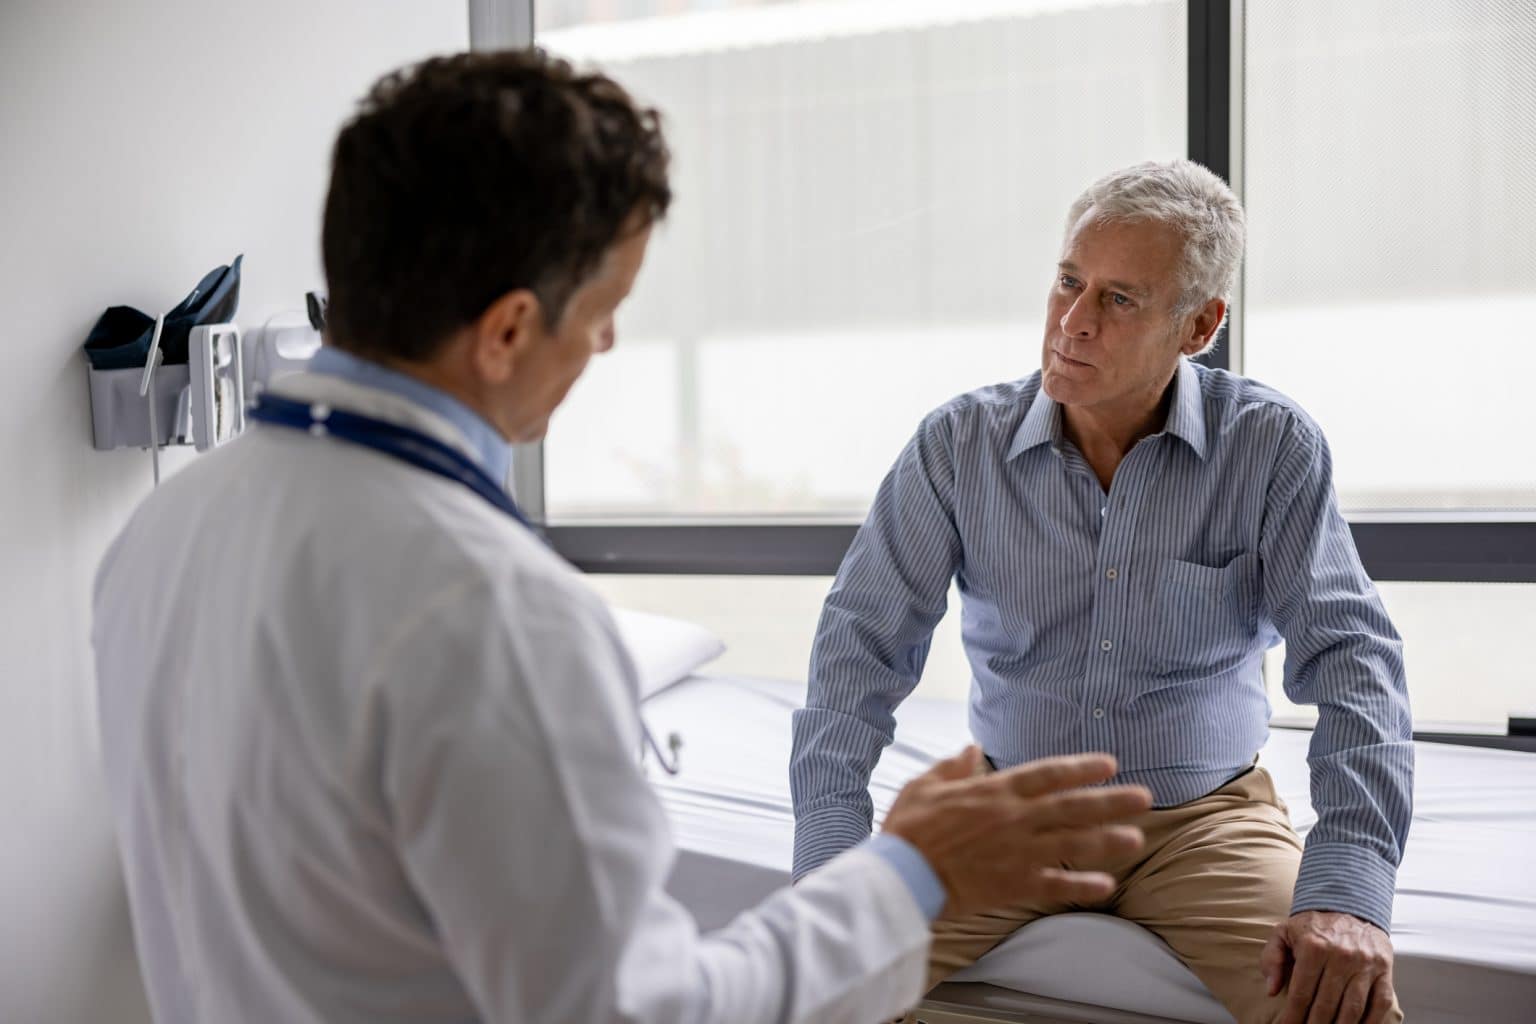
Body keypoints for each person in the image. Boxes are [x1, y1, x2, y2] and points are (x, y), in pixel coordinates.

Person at [92, 50, 1154, 1024]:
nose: (606, 340)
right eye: (606, 307)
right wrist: (913, 869)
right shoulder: (493, 610)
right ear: (508, 329)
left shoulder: (162, 530)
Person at [789, 160, 1414, 1024]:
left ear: (1199, 325)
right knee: (812, 985)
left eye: (1119, 300)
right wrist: (831, 860)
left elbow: (1354, 663)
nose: (1072, 323)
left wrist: (1349, 885)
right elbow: (857, 649)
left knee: (1339, 1007)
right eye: (1068, 282)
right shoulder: (956, 445)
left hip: (1206, 822)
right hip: (1008, 814)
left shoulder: (1270, 448)